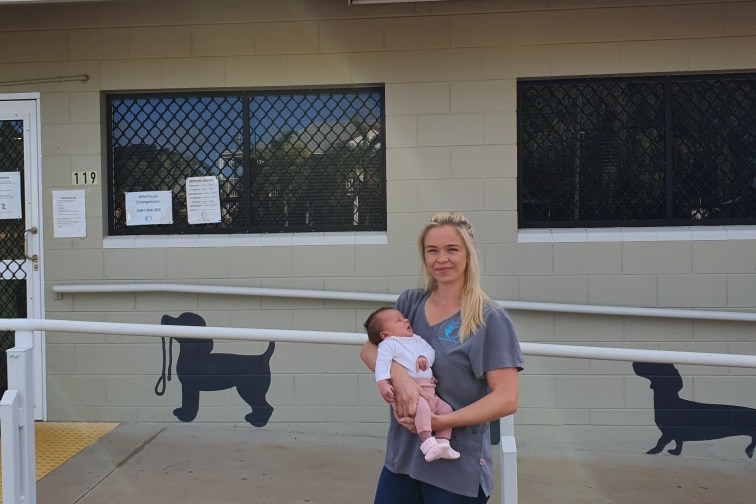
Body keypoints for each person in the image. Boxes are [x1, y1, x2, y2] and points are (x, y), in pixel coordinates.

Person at [360, 211, 524, 504]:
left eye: (452, 249)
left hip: (455, 469)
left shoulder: (489, 318)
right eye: (432, 250)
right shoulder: (409, 304)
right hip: (404, 461)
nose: (441, 259)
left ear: (468, 254)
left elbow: (507, 398)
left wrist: (440, 420)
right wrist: (401, 379)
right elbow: (369, 349)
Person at [365, 306, 461, 463]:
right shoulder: (389, 344)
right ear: (385, 334)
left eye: (403, 317)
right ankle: (427, 443)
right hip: (412, 393)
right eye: (398, 320)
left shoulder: (416, 339)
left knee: (446, 409)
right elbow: (382, 364)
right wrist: (382, 383)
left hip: (430, 389)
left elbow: (430, 351)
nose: (406, 320)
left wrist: (424, 357)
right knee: (422, 409)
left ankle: (443, 442)